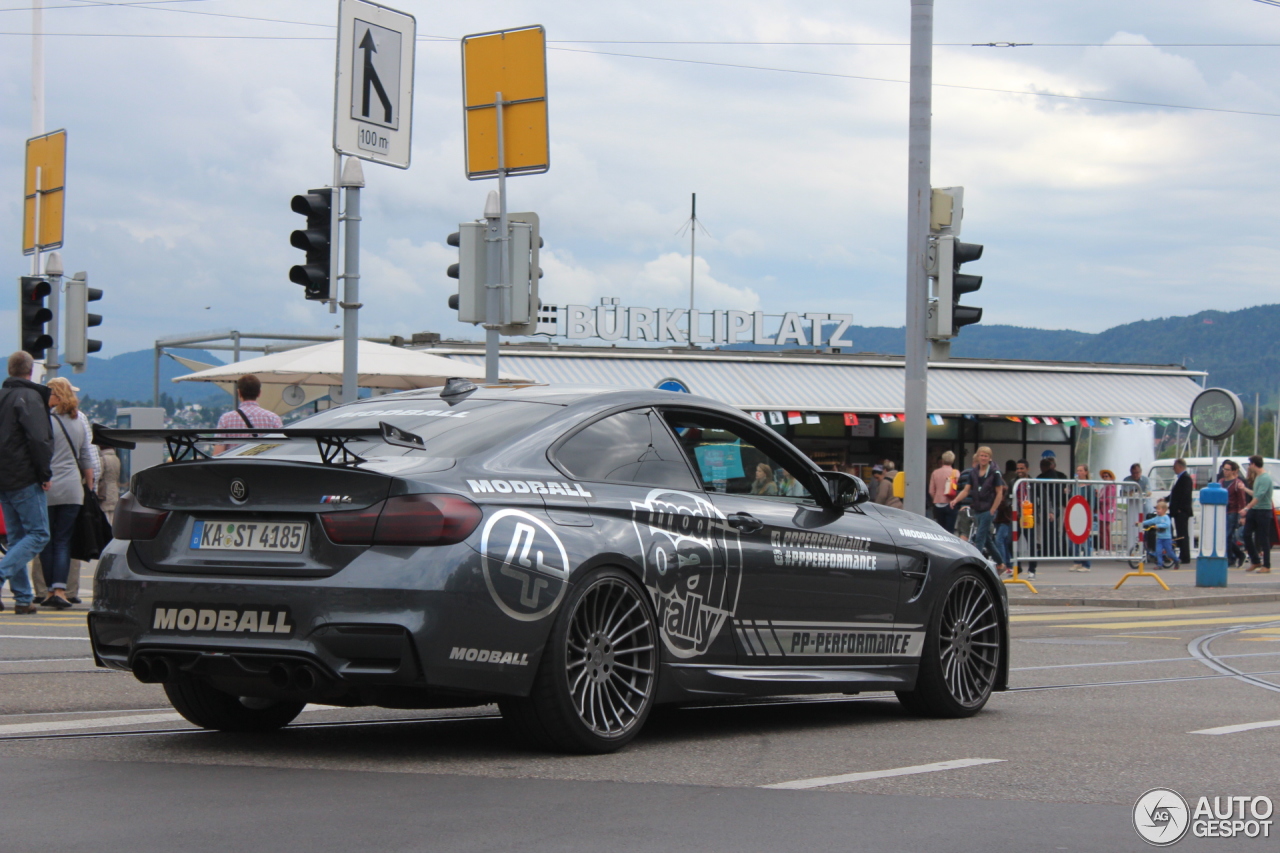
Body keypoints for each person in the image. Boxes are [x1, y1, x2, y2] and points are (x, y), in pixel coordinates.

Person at [0, 352, 52, 614]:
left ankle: (22, 597)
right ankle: (2, 575)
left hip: (4, 477)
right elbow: (38, 440)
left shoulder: (2, 396)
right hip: (24, 475)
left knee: (16, 537)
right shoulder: (30, 397)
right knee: (39, 533)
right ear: (31, 371)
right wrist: (45, 473)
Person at [38, 377, 95, 609]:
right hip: (73, 489)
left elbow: (39, 451)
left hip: (48, 487)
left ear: (56, 395)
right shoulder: (78, 421)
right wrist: (89, 487)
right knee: (63, 540)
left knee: (46, 540)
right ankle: (61, 589)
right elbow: (86, 456)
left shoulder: (44, 421)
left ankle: (50, 591)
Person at [950, 446, 1005, 560]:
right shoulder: (973, 472)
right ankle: (1001, 563)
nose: (983, 458)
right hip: (978, 508)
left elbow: (999, 492)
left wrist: (993, 509)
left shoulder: (995, 472)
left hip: (989, 508)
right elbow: (966, 490)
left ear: (990, 458)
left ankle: (976, 561)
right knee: (987, 539)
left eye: (986, 456)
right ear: (978, 457)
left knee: (979, 537)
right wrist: (956, 500)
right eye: (981, 455)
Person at [215, 374, 284, 453]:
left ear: (239, 393)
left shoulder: (225, 419)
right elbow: (281, 449)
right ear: (259, 393)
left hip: (235, 464)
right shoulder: (273, 418)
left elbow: (218, 453)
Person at [1239, 455, 1273, 573]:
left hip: (1263, 510)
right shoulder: (1258, 477)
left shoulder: (1265, 478)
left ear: (1254, 464)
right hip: (1255, 509)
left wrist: (1247, 508)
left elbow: (1259, 496)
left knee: (1263, 538)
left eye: (1250, 464)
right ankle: (1256, 560)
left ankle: (1267, 565)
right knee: (1246, 534)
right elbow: (1255, 493)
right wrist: (1245, 489)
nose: (1249, 467)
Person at [1221, 460, 1248, 568]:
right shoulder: (1221, 482)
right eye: (1224, 469)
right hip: (1223, 510)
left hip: (1233, 511)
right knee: (1226, 536)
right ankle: (1238, 554)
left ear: (1233, 471)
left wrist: (1242, 514)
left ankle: (1231, 558)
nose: (1225, 471)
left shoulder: (1237, 483)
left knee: (1227, 535)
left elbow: (1242, 500)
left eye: (1227, 469)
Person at [1070, 464, 1095, 572]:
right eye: (1077, 470)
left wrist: (1089, 518)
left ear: (1085, 472)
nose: (1078, 472)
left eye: (1080, 470)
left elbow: (1091, 504)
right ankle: (1077, 562)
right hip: (1075, 515)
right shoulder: (1075, 485)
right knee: (1074, 539)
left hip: (1085, 516)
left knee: (1086, 541)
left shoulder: (1089, 486)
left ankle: (1087, 564)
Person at [1168, 458, 1194, 565]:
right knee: (1180, 533)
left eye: (1174, 467)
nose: (1174, 469)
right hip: (1179, 511)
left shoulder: (1186, 478)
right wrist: (1166, 499)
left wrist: (1180, 508)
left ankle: (1185, 556)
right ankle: (1183, 555)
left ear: (1179, 467)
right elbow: (1175, 494)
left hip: (1182, 512)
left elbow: (1186, 495)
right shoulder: (1181, 478)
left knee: (1183, 534)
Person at [1141, 498, 1177, 569]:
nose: (1157, 511)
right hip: (1159, 538)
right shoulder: (1157, 518)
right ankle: (1159, 565)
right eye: (1157, 509)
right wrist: (1141, 523)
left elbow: (1167, 525)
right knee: (1158, 551)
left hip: (1166, 538)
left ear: (1164, 510)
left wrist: (1158, 526)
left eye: (1159, 509)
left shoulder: (1166, 517)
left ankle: (1176, 560)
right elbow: (1150, 521)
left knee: (1169, 552)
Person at [929, 451, 958, 533]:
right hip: (951, 503)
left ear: (942, 460)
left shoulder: (935, 473)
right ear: (953, 460)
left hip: (938, 505)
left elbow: (931, 491)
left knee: (940, 530)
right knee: (950, 531)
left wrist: (936, 499)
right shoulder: (955, 473)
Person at [97, 445, 122, 522]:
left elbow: (98, 475)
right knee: (112, 517)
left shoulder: (103, 459)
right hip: (114, 491)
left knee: (104, 516)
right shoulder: (116, 459)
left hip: (104, 491)